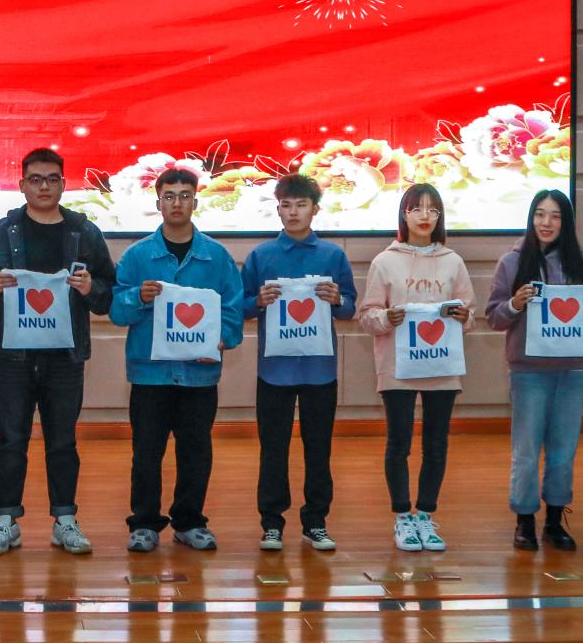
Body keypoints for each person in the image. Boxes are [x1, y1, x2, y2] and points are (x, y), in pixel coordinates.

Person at [0, 147, 116, 556]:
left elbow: (108, 294)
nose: (44, 186)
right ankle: (6, 521)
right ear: (22, 185)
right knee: (10, 441)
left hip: (65, 358)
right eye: (35, 179)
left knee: (63, 442)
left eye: (52, 179)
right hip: (12, 359)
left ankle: (65, 520)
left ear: (64, 185)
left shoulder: (84, 232)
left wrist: (91, 289)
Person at [108, 167, 243, 553]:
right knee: (146, 453)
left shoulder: (216, 257)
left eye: (184, 196)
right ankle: (144, 523)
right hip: (150, 375)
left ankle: (189, 521)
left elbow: (233, 309)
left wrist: (223, 337)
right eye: (169, 196)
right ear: (158, 203)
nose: (177, 203)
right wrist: (138, 297)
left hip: (198, 374)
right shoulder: (137, 256)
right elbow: (116, 311)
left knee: (196, 452)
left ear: (195, 202)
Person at [484, 189, 583, 552]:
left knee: (564, 450)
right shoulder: (511, 262)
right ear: (531, 218)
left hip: (573, 370)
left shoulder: (581, 262)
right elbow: (493, 317)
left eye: (555, 215)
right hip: (528, 371)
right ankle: (524, 520)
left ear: (566, 222)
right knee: (526, 450)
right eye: (540, 214)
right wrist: (514, 303)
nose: (546, 222)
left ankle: (554, 520)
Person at [241, 173, 356, 553]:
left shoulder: (333, 256)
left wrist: (337, 299)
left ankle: (316, 522)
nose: (293, 212)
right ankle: (271, 524)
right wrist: (257, 301)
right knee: (272, 449)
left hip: (320, 371)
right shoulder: (261, 256)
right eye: (286, 205)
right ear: (278, 210)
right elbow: (240, 306)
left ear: (315, 209)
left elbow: (349, 308)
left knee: (318, 449)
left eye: (301, 205)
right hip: (273, 371)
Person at [359, 182, 475, 552]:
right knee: (399, 443)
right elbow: (367, 314)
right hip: (398, 367)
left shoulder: (453, 261)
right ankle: (402, 517)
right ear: (404, 214)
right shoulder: (384, 261)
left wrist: (464, 316)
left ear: (440, 217)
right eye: (417, 208)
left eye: (432, 209)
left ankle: (425, 515)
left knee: (436, 444)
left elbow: (469, 312)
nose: (425, 216)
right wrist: (386, 318)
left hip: (442, 366)